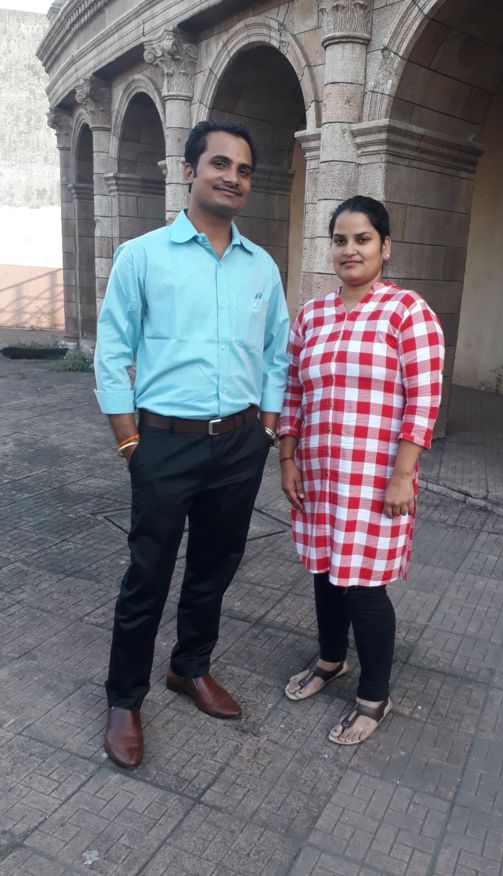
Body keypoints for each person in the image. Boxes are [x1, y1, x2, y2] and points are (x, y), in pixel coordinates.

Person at [94, 120, 290, 768]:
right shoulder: (143, 256)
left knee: (215, 566)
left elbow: (277, 354)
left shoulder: (261, 266)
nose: (233, 177)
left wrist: (266, 430)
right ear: (189, 171)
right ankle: (125, 698)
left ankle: (190, 666)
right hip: (163, 444)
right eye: (220, 164)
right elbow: (112, 352)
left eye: (244, 169)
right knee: (147, 573)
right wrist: (129, 443)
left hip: (239, 446)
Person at [279, 196, 444, 745]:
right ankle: (331, 660)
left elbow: (423, 400)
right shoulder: (312, 315)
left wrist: (403, 476)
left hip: (376, 480)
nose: (350, 250)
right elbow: (293, 391)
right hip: (320, 474)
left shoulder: (407, 312)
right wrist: (287, 458)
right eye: (340, 240)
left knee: (364, 588)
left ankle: (374, 695)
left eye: (362, 239)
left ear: (385, 247)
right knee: (326, 573)